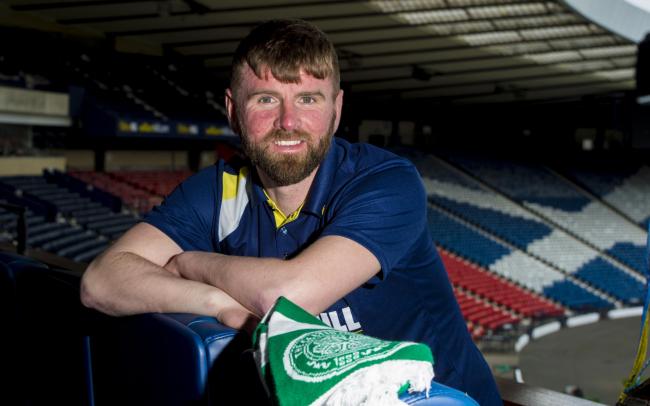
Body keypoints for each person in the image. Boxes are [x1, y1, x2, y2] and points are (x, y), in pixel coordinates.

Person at [80, 19, 501, 405]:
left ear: (336, 110)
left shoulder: (385, 181)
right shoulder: (218, 190)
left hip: (438, 397)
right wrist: (217, 302)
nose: (287, 121)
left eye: (307, 99)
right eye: (266, 99)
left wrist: (194, 263)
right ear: (232, 110)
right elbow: (100, 283)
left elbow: (287, 297)